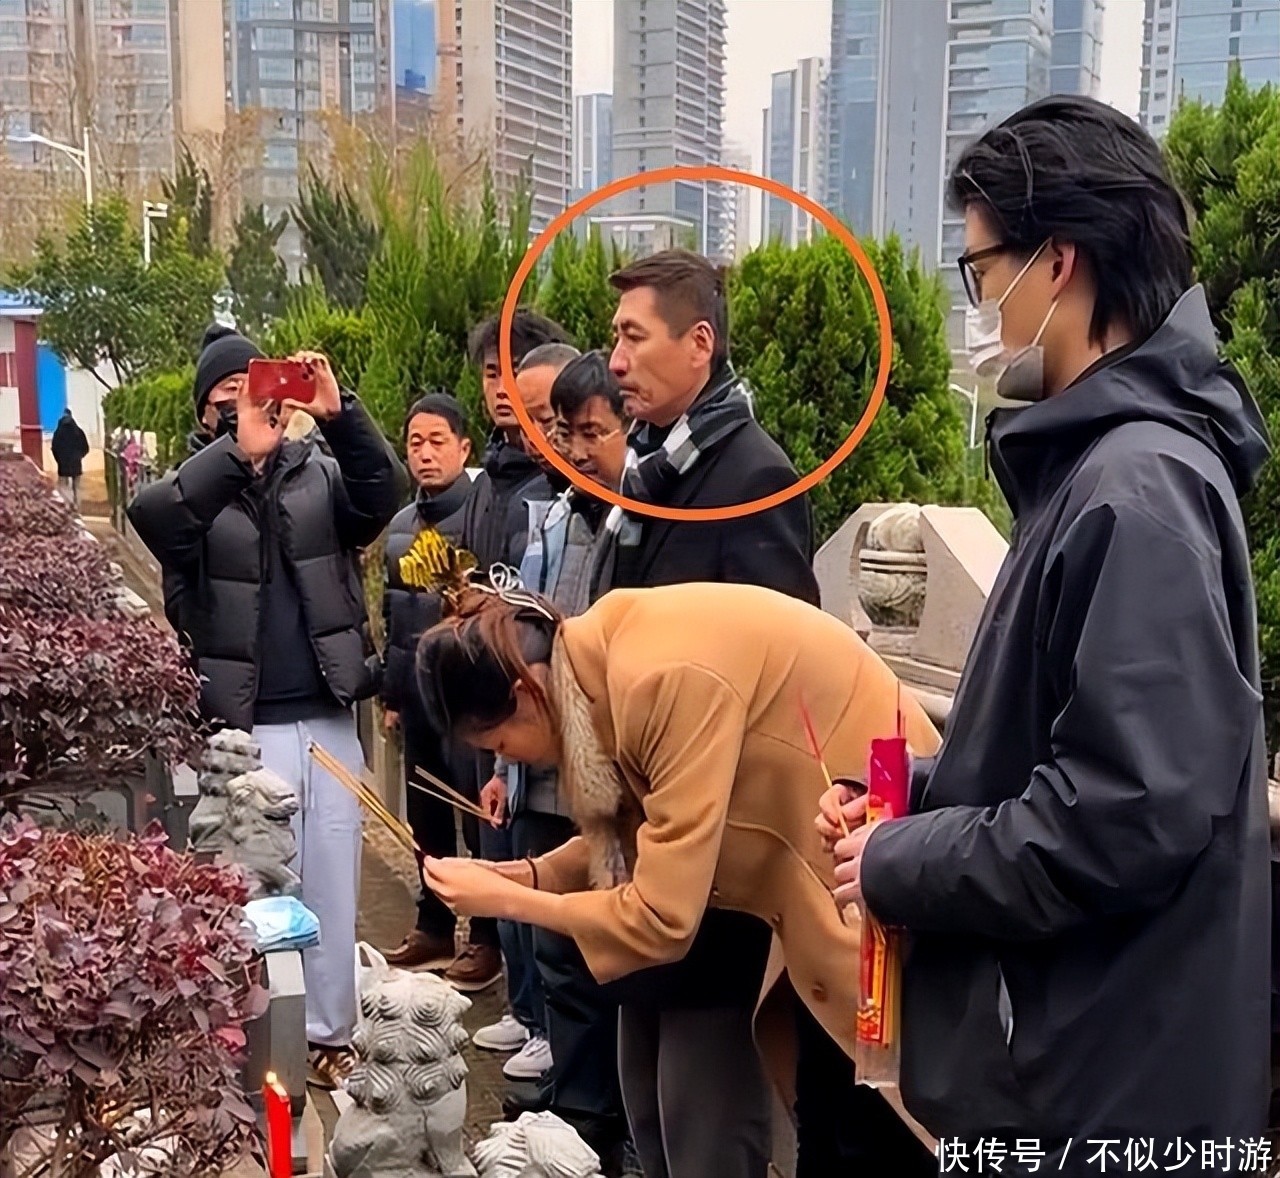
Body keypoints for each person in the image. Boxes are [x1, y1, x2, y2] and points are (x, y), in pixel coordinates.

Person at [818, 95, 1271, 1172]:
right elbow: (1060, 749)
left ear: (1056, 262)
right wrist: (908, 798)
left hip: (1101, 1088)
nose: (980, 308)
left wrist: (902, 859)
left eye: (980, 271)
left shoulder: (1135, 486)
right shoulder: (1096, 469)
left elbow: (1124, 812)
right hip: (1078, 1065)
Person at [418, 580, 942, 1178]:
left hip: (872, 856)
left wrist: (508, 900)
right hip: (819, 866)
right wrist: (526, 875)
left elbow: (662, 916)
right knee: (820, 1119)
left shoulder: (656, 678)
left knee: (864, 1131)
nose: (508, 759)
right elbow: (643, 826)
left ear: (526, 691)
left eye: (500, 743)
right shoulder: (597, 660)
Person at [583, 249, 833, 1177]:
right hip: (641, 855)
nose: (615, 361)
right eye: (614, 338)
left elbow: (788, 681)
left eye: (633, 337)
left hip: (715, 887)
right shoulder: (647, 477)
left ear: (699, 343)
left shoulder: (751, 478)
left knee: (707, 1135)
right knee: (647, 1121)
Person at [127, 323, 406, 1090]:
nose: (245, 402)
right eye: (227, 393)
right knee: (254, 889)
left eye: (254, 387)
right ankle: (251, 1029)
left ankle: (328, 1033)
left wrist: (342, 414)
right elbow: (154, 519)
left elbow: (383, 494)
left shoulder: (319, 473)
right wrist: (236, 454)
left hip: (326, 716)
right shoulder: (190, 491)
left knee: (333, 883)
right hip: (244, 732)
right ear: (205, 410)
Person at [449, 310, 569, 1027]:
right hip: (498, 698)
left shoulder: (563, 499)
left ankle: (546, 1025)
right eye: (492, 374)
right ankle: (526, 1012)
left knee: (548, 880)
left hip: (545, 710)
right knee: (498, 846)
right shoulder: (490, 482)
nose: (502, 392)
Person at [379, 392, 475, 973]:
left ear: (464, 448)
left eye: (438, 441)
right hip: (416, 698)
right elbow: (394, 617)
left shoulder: (481, 514)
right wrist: (392, 695)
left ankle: (486, 933)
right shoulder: (400, 527)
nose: (425, 453)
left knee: (477, 822)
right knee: (427, 817)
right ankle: (434, 925)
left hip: (468, 700)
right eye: (415, 442)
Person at [51, 407, 89, 508]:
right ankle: (77, 506)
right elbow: (86, 447)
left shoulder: (58, 432)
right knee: (77, 487)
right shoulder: (78, 431)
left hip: (63, 464)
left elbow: (54, 448)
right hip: (76, 463)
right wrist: (79, 456)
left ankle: (67, 505)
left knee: (63, 486)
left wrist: (59, 460)